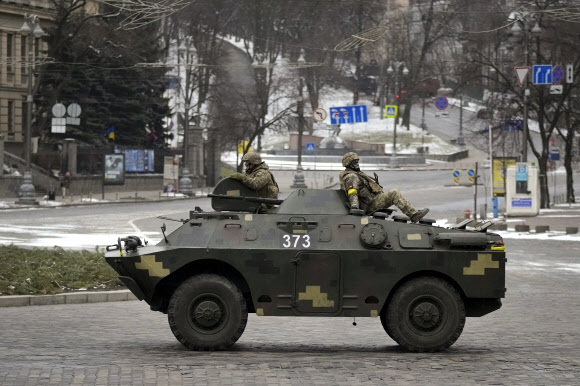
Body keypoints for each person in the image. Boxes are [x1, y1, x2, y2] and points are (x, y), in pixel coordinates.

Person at [339, 152, 429, 222]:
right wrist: (355, 209)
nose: (357, 164)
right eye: (354, 163)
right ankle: (413, 215)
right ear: (348, 164)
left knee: (393, 192)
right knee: (394, 193)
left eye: (357, 162)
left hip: (371, 201)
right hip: (368, 206)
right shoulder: (351, 176)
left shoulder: (357, 174)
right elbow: (352, 192)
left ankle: (413, 213)